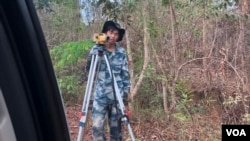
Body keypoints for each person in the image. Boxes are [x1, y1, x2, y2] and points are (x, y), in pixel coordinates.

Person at [85, 20, 131, 141]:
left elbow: (125, 74)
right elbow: (89, 70)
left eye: (116, 34)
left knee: (116, 132)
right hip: (100, 96)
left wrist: (126, 93)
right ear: (105, 33)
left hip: (117, 97)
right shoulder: (97, 50)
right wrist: (94, 53)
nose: (113, 36)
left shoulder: (121, 52)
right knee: (97, 128)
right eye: (111, 32)